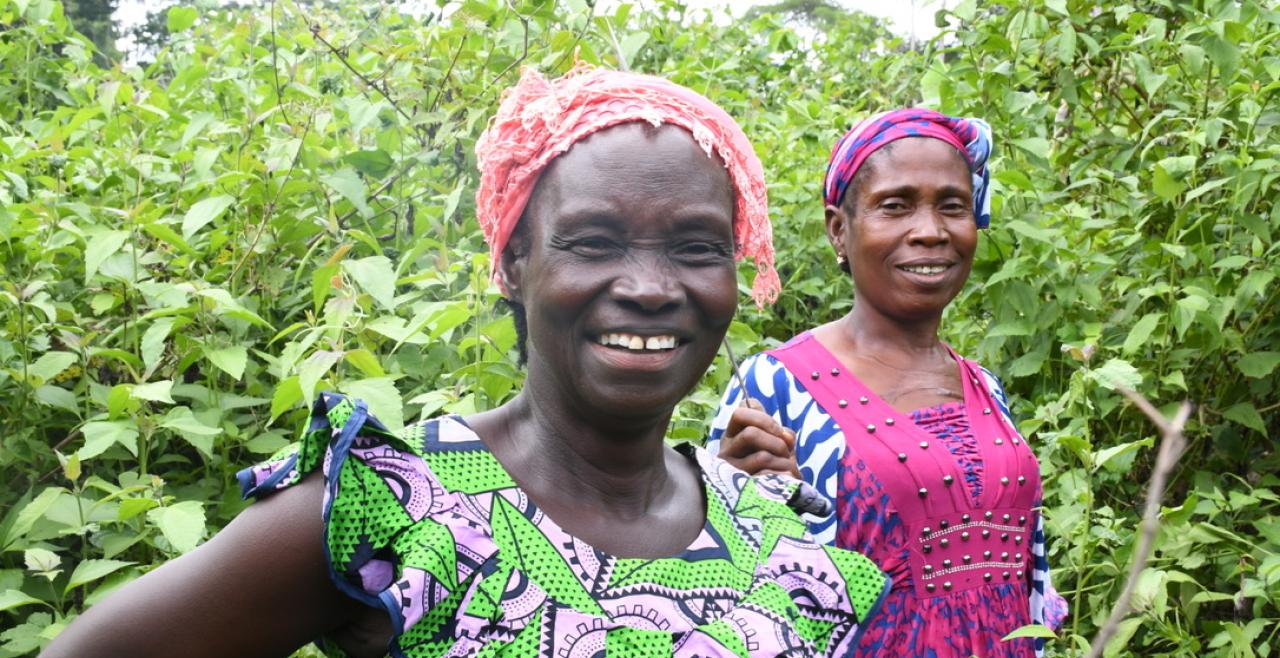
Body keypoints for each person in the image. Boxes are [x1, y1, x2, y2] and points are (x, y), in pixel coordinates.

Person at [41, 66, 888, 658]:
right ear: (516, 264)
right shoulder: (406, 511)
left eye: (697, 247)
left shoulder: (764, 527)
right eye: (594, 242)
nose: (652, 287)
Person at [707, 109, 1068, 658]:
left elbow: (1027, 580)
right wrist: (732, 501)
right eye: (895, 206)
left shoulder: (985, 388)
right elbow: (720, 585)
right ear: (839, 229)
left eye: (952, 206)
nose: (930, 231)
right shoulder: (777, 386)